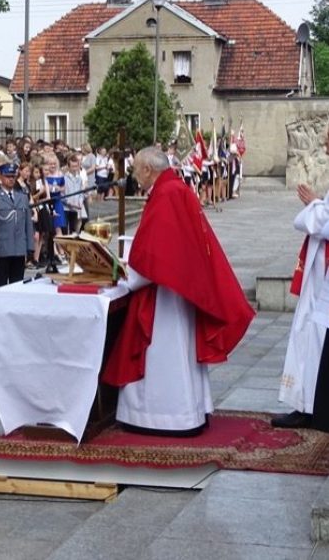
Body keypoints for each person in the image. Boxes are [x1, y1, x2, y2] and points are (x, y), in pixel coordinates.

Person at [101, 147, 254, 436]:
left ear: (148, 169)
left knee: (163, 353)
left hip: (167, 295)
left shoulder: (167, 194)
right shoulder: (173, 188)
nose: (134, 175)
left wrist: (129, 274)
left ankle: (163, 417)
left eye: (135, 169)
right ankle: (187, 411)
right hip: (175, 288)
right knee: (179, 353)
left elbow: (160, 253)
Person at [271, 160, 329, 431]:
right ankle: (308, 403)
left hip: (323, 278)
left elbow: (322, 223)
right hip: (319, 270)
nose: (326, 149)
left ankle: (311, 406)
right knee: (309, 334)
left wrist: (314, 207)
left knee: (314, 335)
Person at [0, 161, 33, 288]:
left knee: (17, 285)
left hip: (19, 248)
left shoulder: (22, 197)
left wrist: (30, 246)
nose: (11, 179)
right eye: (8, 176)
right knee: (1, 285)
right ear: (0, 176)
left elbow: (28, 224)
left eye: (13, 176)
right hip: (3, 249)